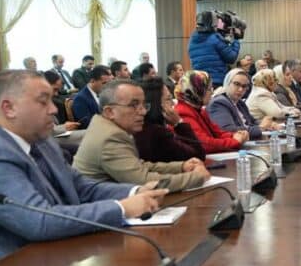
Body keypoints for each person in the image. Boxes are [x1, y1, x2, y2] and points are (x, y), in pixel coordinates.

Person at [0, 70, 166, 266]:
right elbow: (40, 221)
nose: (54, 109)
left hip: (55, 258)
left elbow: (80, 187)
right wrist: (121, 208)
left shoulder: (40, 140)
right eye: (43, 101)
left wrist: (133, 191)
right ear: (9, 108)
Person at [74, 80, 209, 192]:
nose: (143, 111)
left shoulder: (108, 128)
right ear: (109, 112)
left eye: (144, 105)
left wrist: (181, 166)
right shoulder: (110, 138)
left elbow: (139, 166)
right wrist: (195, 178)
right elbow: (142, 181)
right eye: (134, 105)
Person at [175, 71, 248, 154]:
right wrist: (234, 141)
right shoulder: (183, 112)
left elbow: (217, 133)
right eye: (209, 89)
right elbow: (205, 144)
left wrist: (235, 135)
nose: (212, 92)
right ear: (197, 90)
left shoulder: (199, 110)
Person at [134, 77, 205, 162]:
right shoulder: (158, 133)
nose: (172, 103)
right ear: (155, 104)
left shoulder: (144, 128)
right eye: (168, 99)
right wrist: (179, 123)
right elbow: (198, 156)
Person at [207, 69, 277, 140]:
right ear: (227, 83)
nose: (240, 89)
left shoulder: (240, 103)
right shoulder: (219, 103)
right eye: (237, 84)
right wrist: (261, 127)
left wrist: (269, 124)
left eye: (244, 86)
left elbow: (252, 121)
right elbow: (228, 129)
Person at [188, 10, 240, 86]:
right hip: (217, 81)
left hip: (200, 81)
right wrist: (236, 40)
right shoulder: (215, 39)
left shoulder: (192, 40)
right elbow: (231, 58)